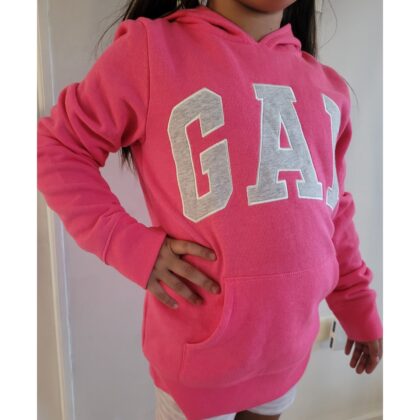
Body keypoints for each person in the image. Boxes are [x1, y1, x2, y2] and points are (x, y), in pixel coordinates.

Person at [37, 0, 384, 419]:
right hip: (198, 367)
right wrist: (129, 245)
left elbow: (334, 213)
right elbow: (57, 147)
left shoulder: (327, 88)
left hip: (286, 356)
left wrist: (358, 307)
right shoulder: (152, 52)